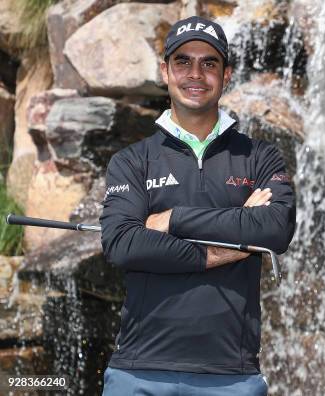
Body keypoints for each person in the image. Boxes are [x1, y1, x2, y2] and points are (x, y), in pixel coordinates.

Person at [99, 16, 296, 396]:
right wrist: (229, 242)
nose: (196, 74)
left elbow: (274, 229)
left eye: (209, 63)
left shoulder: (260, 158)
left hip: (233, 377)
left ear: (227, 75)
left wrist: (172, 219)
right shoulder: (131, 161)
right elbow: (123, 244)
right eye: (183, 62)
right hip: (138, 373)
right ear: (165, 71)